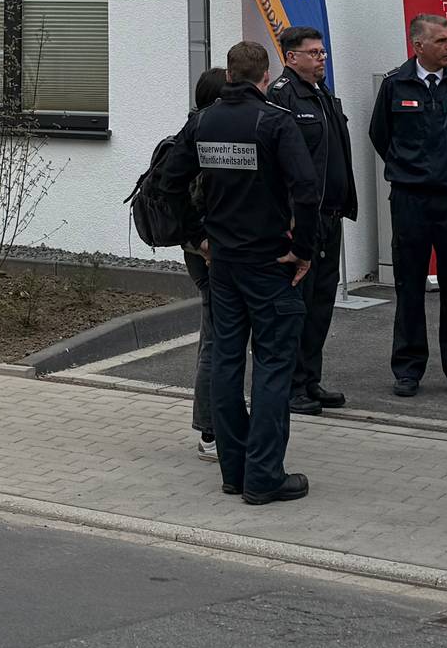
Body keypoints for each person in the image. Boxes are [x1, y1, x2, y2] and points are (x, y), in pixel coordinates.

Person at [148, 41, 320, 505]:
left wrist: (197, 235)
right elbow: (306, 190)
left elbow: (167, 183)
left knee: (226, 362)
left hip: (221, 262)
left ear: (228, 77)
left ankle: (234, 470)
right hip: (269, 263)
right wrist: (303, 251)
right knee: (272, 365)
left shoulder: (203, 122)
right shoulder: (275, 121)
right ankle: (264, 476)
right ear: (264, 78)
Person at [369, 14, 447, 398]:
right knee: (409, 285)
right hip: (411, 198)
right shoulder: (396, 84)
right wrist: (406, 167)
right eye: (442, 41)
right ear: (419, 46)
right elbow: (380, 134)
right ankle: (409, 368)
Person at [269, 25, 360, 415]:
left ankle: (310, 380)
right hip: (300, 221)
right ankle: (290, 387)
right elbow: (278, 165)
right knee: (298, 304)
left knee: (322, 303)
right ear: (291, 57)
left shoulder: (322, 95)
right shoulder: (283, 97)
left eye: (323, 52)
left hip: (330, 216)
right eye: (314, 53)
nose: (321, 58)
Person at [182, 67, 229, 462]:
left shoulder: (199, 131)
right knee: (215, 339)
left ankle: (217, 425)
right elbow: (186, 200)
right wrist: (202, 242)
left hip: (206, 249)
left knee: (218, 337)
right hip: (207, 252)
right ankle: (210, 431)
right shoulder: (198, 137)